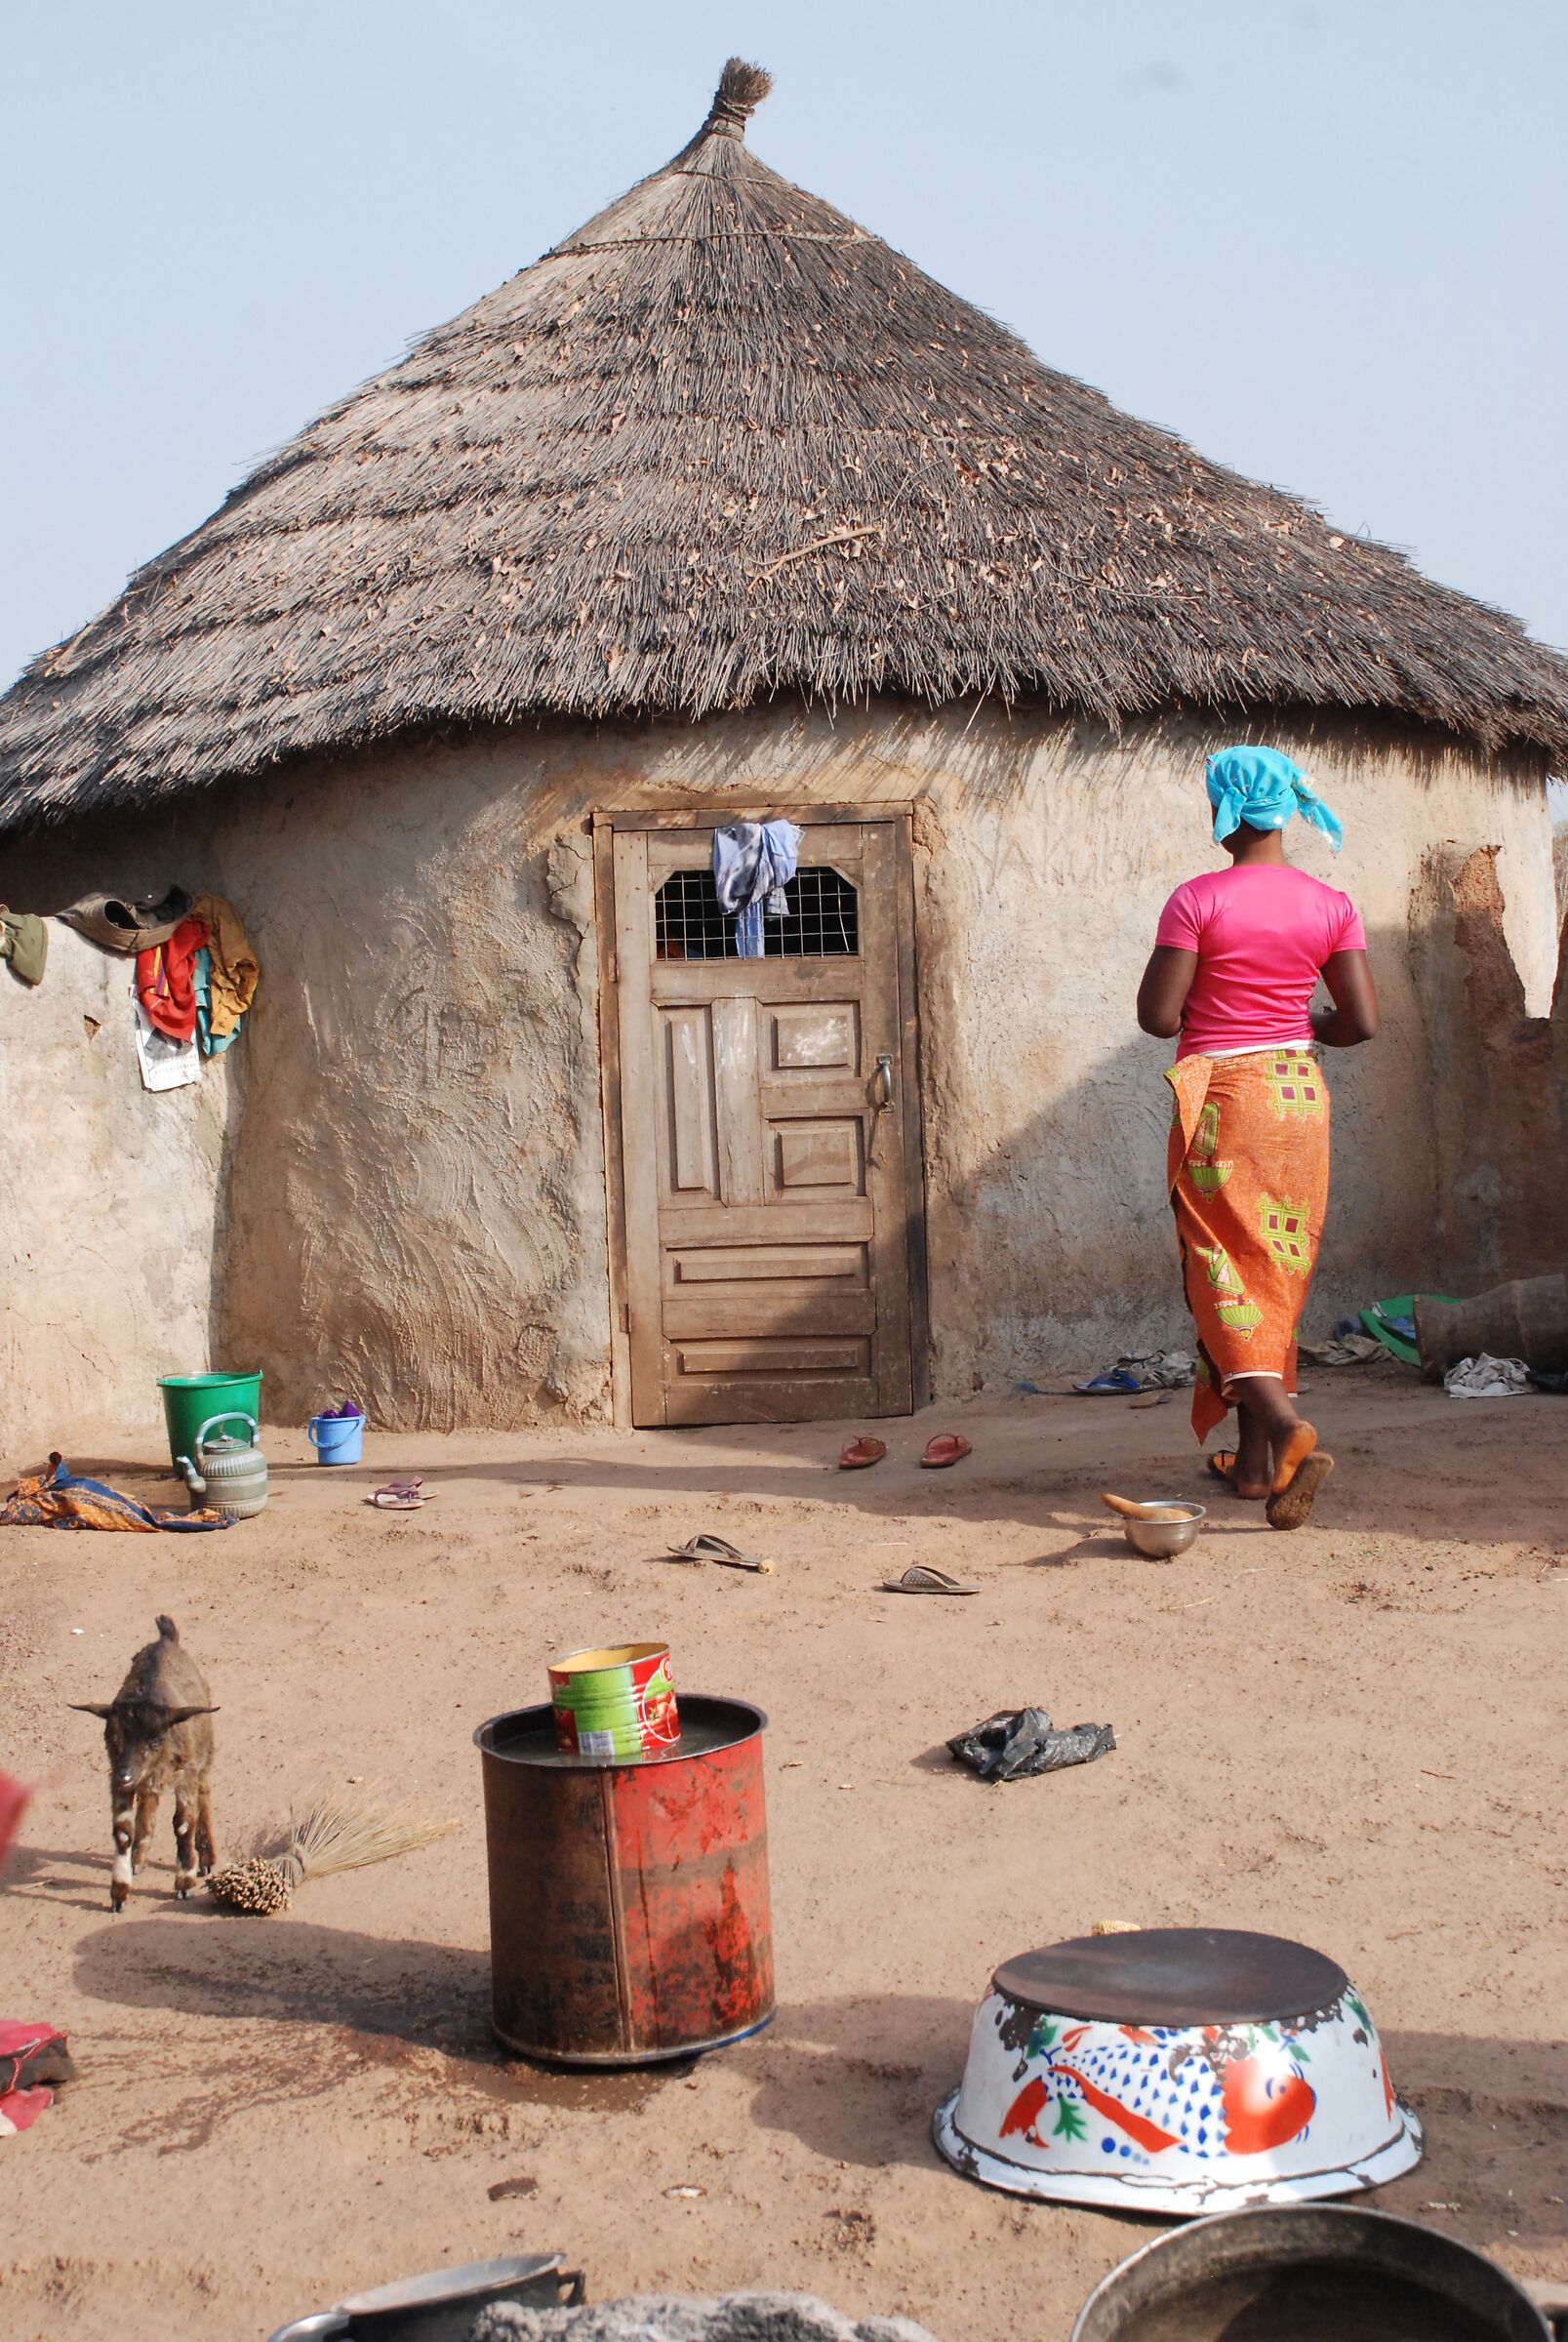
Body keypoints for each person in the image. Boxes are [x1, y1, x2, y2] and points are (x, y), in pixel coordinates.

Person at [1136, 747, 1379, 1529]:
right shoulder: (1330, 904)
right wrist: (1301, 1024)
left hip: (1225, 1100)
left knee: (1216, 1266)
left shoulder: (1197, 900)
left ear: (1225, 809)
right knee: (1272, 1270)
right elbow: (1360, 1023)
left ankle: (1282, 1426)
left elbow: (1158, 1017)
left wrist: (1209, 1003)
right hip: (1298, 1097)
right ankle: (1251, 1468)